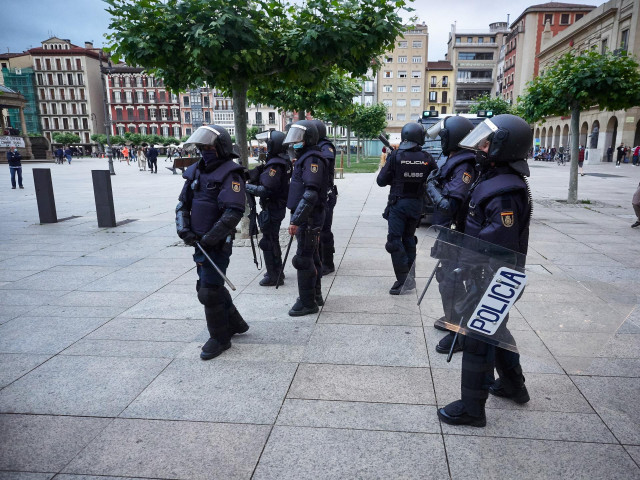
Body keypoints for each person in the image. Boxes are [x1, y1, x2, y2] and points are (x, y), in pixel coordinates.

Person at [437, 114, 533, 428]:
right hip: (490, 275)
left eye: (488, 141)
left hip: (493, 277)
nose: (481, 146)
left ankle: (472, 409)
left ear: (504, 146)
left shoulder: (503, 190)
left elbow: (497, 245)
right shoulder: (492, 175)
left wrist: (470, 273)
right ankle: (513, 385)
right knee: (497, 332)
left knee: (478, 338)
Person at [175, 124, 249, 360]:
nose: (204, 150)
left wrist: (210, 238)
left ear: (221, 147)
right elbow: (182, 204)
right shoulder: (196, 170)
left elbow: (233, 212)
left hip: (216, 243)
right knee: (209, 286)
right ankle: (235, 323)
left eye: (209, 146)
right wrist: (183, 229)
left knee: (208, 292)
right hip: (198, 242)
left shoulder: (231, 173)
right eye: (201, 146)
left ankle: (220, 338)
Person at [424, 115, 476, 355]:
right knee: (446, 278)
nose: (441, 141)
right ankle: (452, 318)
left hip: (459, 234)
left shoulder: (465, 165)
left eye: (443, 137)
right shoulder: (455, 159)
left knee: (453, 280)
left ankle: (461, 331)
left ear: (453, 138)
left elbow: (450, 206)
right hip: (450, 233)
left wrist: (431, 186)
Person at [377, 122, 435, 295]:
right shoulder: (427, 157)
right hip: (417, 205)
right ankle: (410, 277)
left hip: (399, 205)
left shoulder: (395, 156)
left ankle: (403, 280)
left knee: (394, 242)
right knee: (409, 239)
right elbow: (434, 178)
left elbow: (381, 181)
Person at [283, 120, 330, 316]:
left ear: (308, 138)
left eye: (298, 138)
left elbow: (310, 194)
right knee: (312, 257)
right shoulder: (307, 158)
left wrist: (296, 220)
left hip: (309, 219)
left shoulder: (312, 160)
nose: (294, 142)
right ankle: (314, 295)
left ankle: (307, 302)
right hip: (307, 217)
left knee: (303, 259)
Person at [246, 130, 292, 286]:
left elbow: (267, 189)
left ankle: (274, 275)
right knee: (273, 239)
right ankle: (277, 270)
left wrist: (248, 188)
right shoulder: (281, 161)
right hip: (276, 207)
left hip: (273, 207)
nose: (266, 146)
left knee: (268, 241)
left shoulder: (276, 165)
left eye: (268, 144)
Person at [312, 120, 338, 275]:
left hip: (326, 194)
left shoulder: (325, 146)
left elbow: (326, 160)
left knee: (325, 230)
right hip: (319, 193)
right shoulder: (316, 146)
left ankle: (328, 263)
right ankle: (320, 258)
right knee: (317, 229)